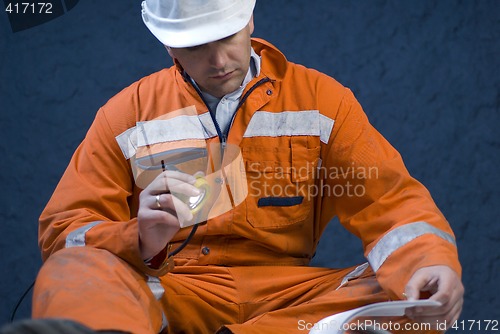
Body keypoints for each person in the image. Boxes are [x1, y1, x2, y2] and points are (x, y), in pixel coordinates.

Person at [23, 1, 464, 333]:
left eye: (227, 36)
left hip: (290, 298)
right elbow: (65, 233)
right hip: (174, 291)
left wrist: (430, 262)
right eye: (197, 44)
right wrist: (138, 238)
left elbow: (391, 204)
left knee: (411, 301)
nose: (218, 61)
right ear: (167, 41)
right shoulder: (126, 115)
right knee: (75, 273)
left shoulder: (323, 103)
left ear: (249, 19)